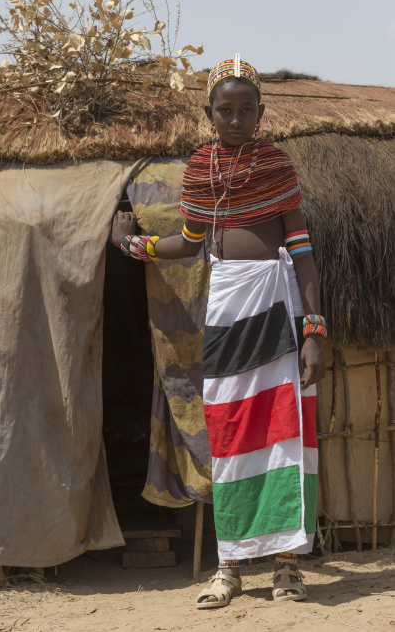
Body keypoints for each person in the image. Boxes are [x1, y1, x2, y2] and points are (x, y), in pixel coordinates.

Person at [110, 55, 326, 607]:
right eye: (225, 110)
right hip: (227, 310)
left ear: (261, 112)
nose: (235, 119)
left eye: (245, 110)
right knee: (229, 435)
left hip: (278, 308)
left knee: (283, 438)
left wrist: (314, 332)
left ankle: (285, 569)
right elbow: (189, 241)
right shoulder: (202, 170)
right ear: (209, 114)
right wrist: (138, 245)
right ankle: (229, 568)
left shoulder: (278, 168)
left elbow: (302, 258)